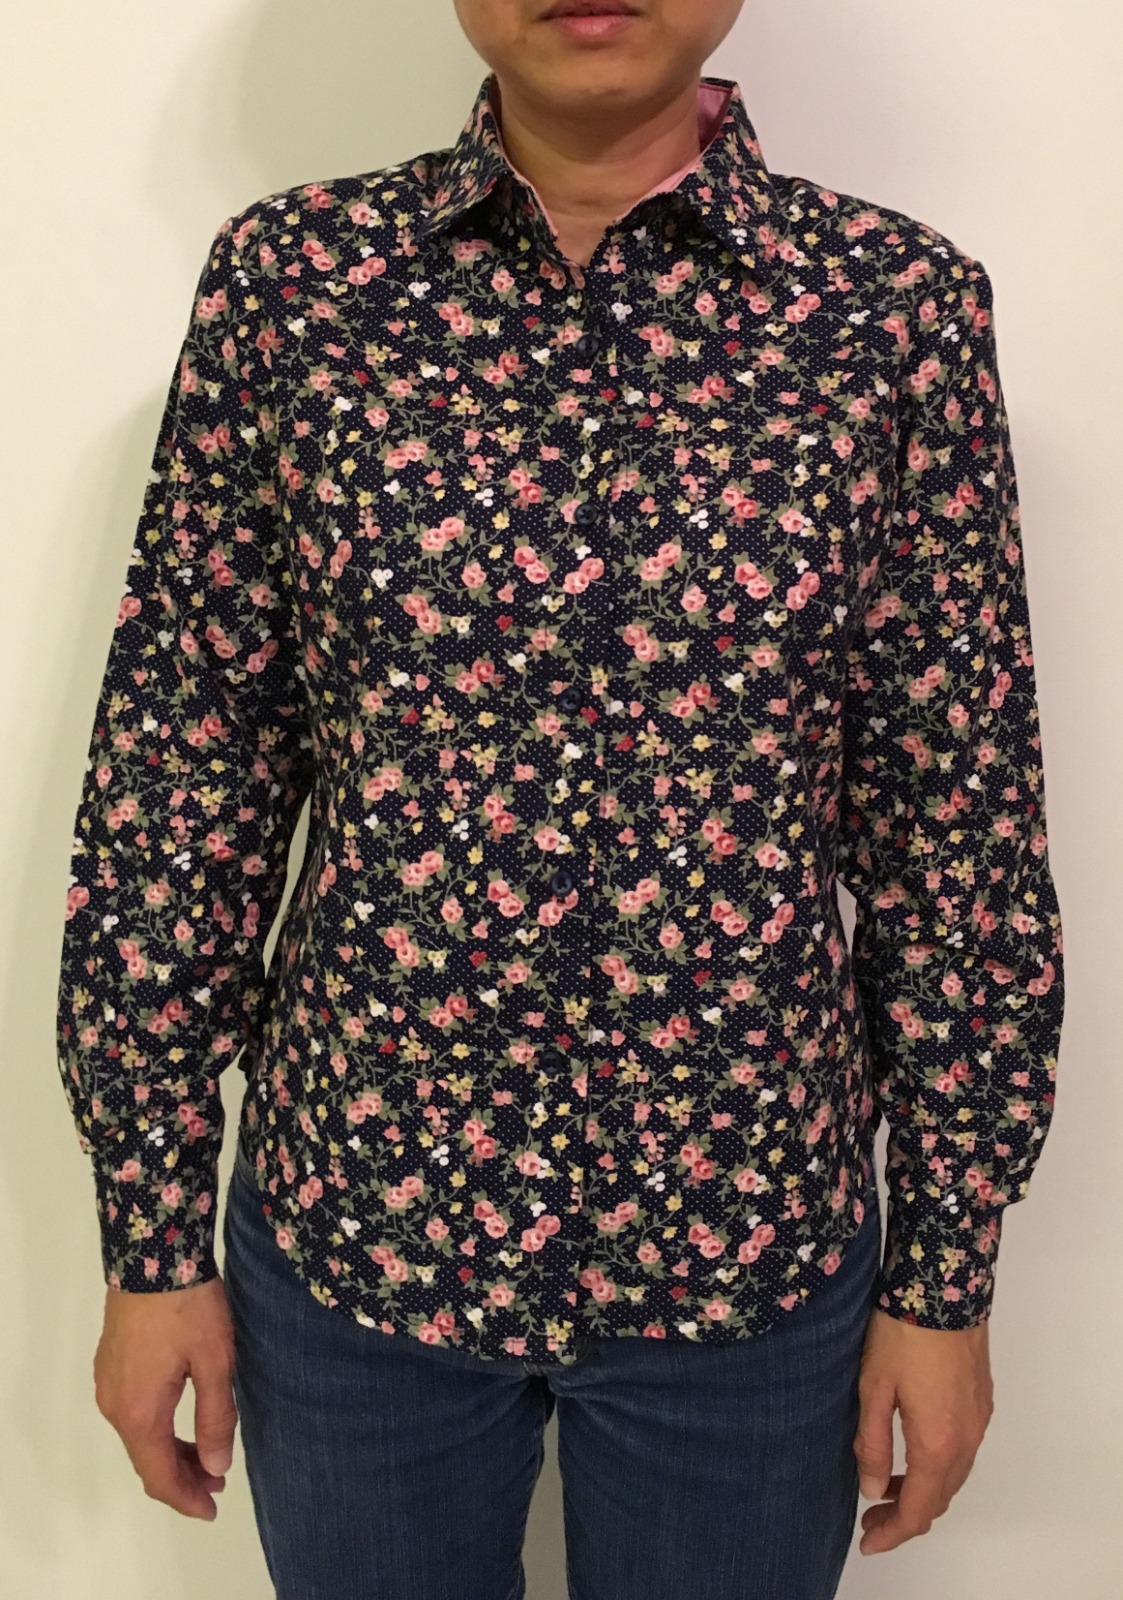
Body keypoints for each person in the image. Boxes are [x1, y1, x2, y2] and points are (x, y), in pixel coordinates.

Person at [56, 2, 1065, 1596]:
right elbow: (183, 779)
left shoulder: (891, 310)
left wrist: (946, 1276)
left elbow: (957, 830)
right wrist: (153, 1231)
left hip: (749, 1261)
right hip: (361, 1248)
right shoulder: (298, 287)